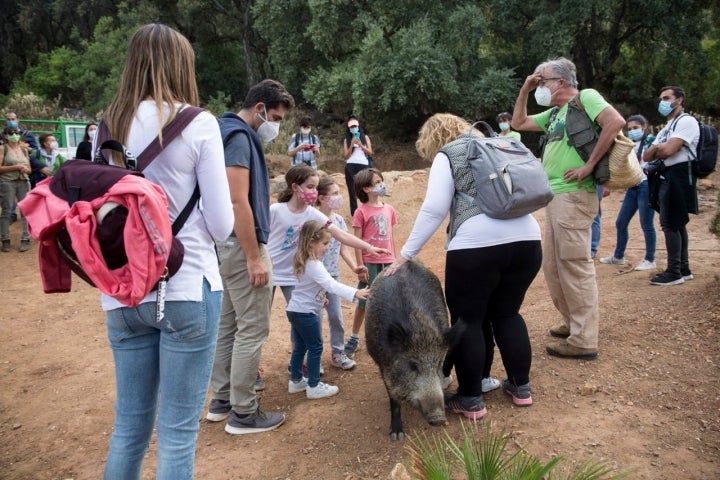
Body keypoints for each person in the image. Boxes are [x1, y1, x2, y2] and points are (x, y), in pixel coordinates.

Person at [97, 24, 233, 479]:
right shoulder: (199, 123)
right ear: (181, 65)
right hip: (187, 285)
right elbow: (220, 225)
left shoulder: (107, 124)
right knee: (176, 433)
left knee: (129, 427)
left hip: (122, 292)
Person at [384, 113, 542, 419]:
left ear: (433, 138)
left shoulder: (450, 154)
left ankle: (471, 398)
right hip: (527, 240)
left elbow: (433, 208)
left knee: (468, 320)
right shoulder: (500, 144)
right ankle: (520, 387)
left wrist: (406, 253)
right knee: (508, 314)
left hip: (476, 246)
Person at [511, 57, 625, 360]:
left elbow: (615, 122)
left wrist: (589, 166)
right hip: (557, 197)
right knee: (553, 267)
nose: (539, 85)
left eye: (542, 80)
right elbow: (518, 123)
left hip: (575, 195)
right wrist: (525, 89)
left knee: (574, 265)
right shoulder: (554, 113)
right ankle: (574, 323)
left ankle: (584, 339)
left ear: (560, 82)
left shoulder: (585, 97)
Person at [207, 79, 294, 435]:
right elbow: (237, 200)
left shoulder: (221, 131)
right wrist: (254, 257)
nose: (275, 124)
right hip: (242, 245)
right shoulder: (241, 138)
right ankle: (244, 412)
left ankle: (222, 400)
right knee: (253, 327)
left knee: (228, 323)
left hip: (224, 246)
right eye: (274, 116)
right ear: (260, 108)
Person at [287, 220, 370, 399]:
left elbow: (307, 288)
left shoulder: (302, 260)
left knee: (300, 346)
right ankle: (314, 385)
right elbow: (331, 285)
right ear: (311, 242)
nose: (327, 248)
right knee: (316, 347)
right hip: (305, 313)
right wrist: (356, 292)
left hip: (295, 310)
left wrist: (319, 300)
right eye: (325, 244)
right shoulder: (314, 265)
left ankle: (296, 381)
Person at [642, 86, 699, 286]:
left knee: (670, 223)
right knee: (676, 222)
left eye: (667, 98)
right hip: (665, 175)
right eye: (661, 98)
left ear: (680, 100)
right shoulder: (668, 126)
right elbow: (646, 155)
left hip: (679, 175)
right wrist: (658, 148)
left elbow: (668, 150)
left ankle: (674, 271)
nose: (662, 102)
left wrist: (658, 148)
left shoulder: (687, 121)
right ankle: (683, 268)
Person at [344, 168, 397, 358]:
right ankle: (354, 337)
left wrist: (395, 260)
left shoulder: (389, 209)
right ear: (366, 188)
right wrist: (361, 266)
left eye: (381, 180)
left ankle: (386, 337)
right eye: (377, 182)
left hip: (388, 261)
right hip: (370, 263)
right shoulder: (361, 212)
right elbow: (357, 241)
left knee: (388, 299)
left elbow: (391, 236)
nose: (381, 184)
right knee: (364, 301)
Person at [316, 175, 367, 370]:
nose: (339, 197)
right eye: (335, 194)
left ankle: (337, 353)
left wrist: (354, 266)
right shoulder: (311, 219)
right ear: (322, 198)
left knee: (336, 316)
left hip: (333, 275)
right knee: (315, 319)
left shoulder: (338, 220)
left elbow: (343, 247)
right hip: (313, 279)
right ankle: (313, 358)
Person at [599, 115, 657, 270]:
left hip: (646, 185)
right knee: (621, 222)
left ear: (644, 127)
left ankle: (650, 259)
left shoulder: (651, 141)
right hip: (633, 185)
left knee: (646, 223)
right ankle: (618, 256)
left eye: (636, 128)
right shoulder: (628, 144)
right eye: (629, 128)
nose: (632, 131)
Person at [0, 126, 32, 252]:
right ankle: (5, 238)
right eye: (11, 133)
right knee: (7, 210)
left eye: (17, 133)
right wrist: (17, 167)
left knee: (25, 210)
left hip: (23, 181)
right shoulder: (3, 148)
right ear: (6, 136)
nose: (15, 135)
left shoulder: (24, 150)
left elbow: (29, 169)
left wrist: (25, 169)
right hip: (7, 182)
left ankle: (25, 237)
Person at [343, 115, 373, 215]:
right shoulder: (346, 140)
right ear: (349, 128)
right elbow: (346, 156)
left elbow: (370, 153)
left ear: (358, 126)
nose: (353, 128)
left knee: (366, 188)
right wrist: (351, 144)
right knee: (352, 190)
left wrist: (361, 145)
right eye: (351, 127)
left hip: (364, 165)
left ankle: (368, 209)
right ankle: (354, 213)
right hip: (350, 165)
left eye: (355, 126)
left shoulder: (366, 138)